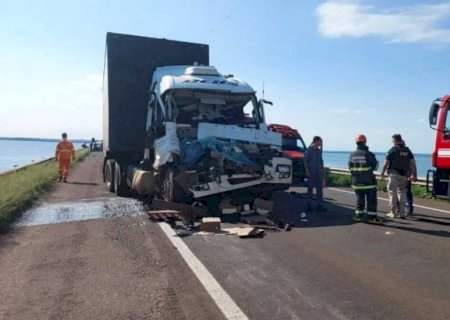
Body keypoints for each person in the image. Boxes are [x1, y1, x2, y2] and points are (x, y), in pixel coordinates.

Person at [381, 134, 416, 218]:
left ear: (395, 140)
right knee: (402, 193)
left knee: (392, 193)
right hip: (404, 176)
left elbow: (386, 163)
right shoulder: (408, 151)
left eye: (392, 141)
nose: (392, 142)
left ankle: (393, 211)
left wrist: (382, 172)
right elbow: (412, 164)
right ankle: (401, 213)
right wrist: (413, 174)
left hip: (393, 174)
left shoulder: (393, 150)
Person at [348, 134, 381, 223]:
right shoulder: (369, 154)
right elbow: (375, 167)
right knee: (371, 200)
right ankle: (372, 218)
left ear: (356, 143)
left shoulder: (352, 155)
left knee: (359, 199)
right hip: (369, 182)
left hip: (357, 182)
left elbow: (350, 167)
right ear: (365, 142)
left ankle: (358, 216)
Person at [304, 136, 327, 212]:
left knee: (319, 191)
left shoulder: (319, 151)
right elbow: (305, 162)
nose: (321, 143)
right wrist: (307, 171)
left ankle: (320, 206)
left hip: (318, 174)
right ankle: (308, 205)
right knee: (310, 190)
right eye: (320, 141)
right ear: (316, 141)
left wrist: (323, 174)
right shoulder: (308, 150)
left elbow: (321, 162)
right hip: (311, 173)